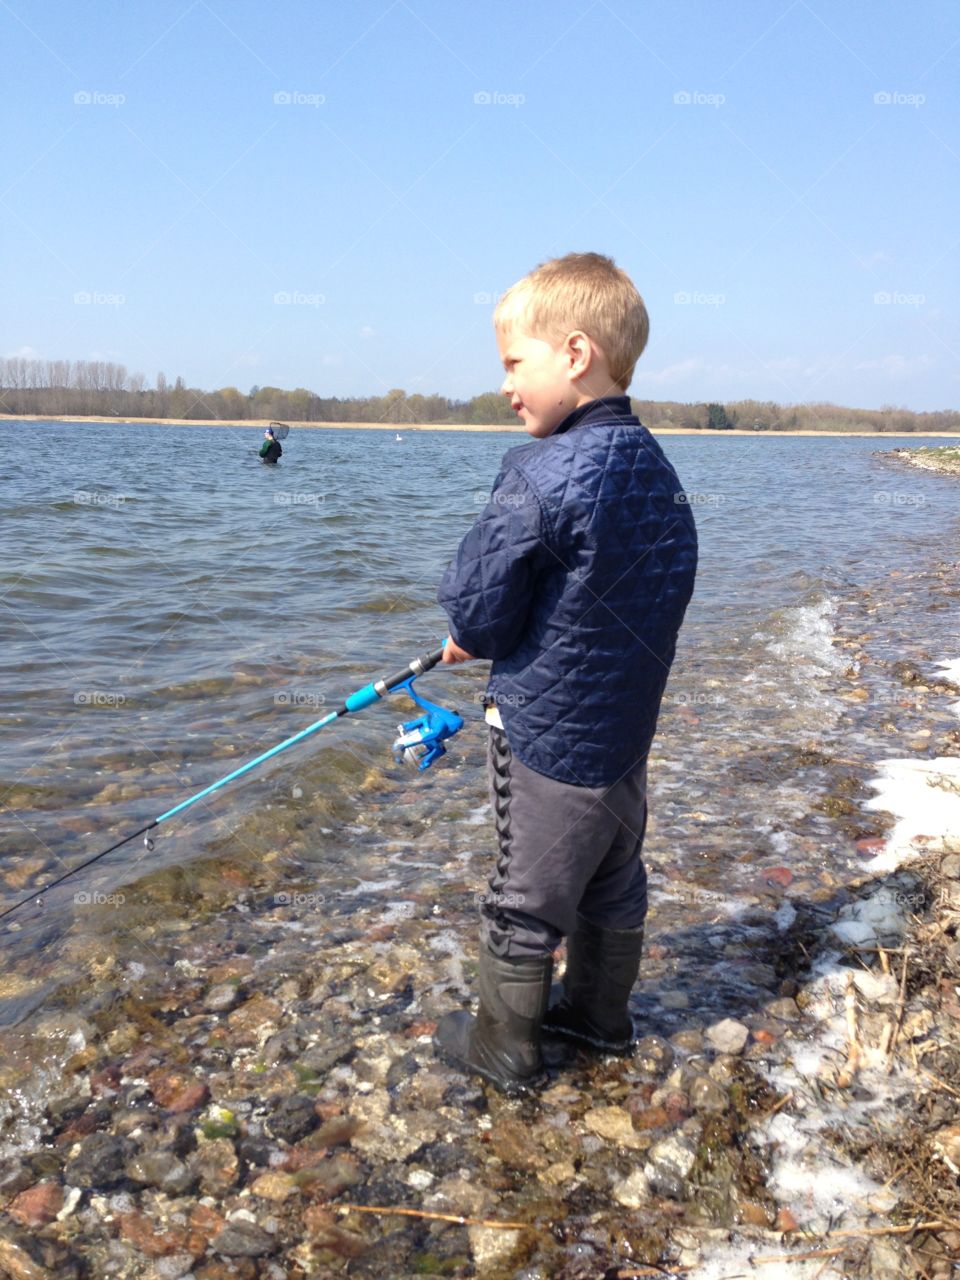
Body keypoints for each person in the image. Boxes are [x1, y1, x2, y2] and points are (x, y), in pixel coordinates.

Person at [433, 252, 698, 1094]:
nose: (507, 385)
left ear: (575, 354)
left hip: (545, 734)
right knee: (614, 876)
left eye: (516, 362)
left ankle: (505, 1048)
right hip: (623, 734)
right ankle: (599, 1018)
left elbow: (477, 605)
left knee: (525, 896)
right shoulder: (658, 469)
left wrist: (476, 635)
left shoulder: (541, 470)